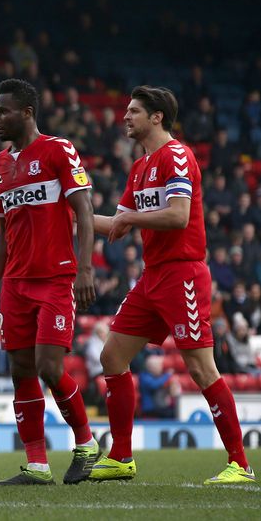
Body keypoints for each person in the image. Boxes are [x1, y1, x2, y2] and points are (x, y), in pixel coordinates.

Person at [89, 86, 254, 485]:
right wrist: (66, 214)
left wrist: (133, 220)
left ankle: (240, 465)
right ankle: (122, 457)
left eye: (133, 112)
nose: (125, 118)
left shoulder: (176, 156)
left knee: (200, 368)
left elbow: (179, 216)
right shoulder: (139, 167)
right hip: (152, 276)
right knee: (112, 357)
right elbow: (116, 226)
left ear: (157, 116)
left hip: (183, 273)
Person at [0, 78, 98, 485]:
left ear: (27, 112)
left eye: (4, 111)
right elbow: (1, 235)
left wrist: (85, 269)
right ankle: (36, 463)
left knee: (50, 367)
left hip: (55, 277)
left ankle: (86, 445)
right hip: (15, 282)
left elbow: (84, 213)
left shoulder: (57, 149)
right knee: (20, 370)